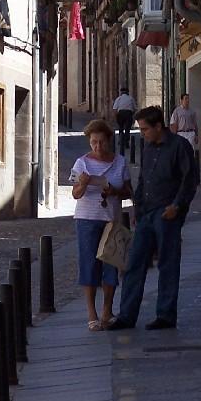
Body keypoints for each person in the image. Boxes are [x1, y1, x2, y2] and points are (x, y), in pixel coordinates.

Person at [107, 106, 198, 331]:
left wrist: (176, 207)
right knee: (134, 263)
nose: (143, 132)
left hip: (167, 212)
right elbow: (144, 181)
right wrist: (137, 209)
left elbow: (189, 180)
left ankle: (165, 315)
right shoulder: (147, 148)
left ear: (159, 126)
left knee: (167, 263)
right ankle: (126, 315)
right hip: (147, 213)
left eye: (146, 129)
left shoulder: (179, 147)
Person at [69, 119, 133, 331]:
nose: (97, 146)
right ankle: (92, 314)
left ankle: (107, 310)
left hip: (111, 219)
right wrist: (84, 185)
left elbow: (128, 191)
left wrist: (114, 192)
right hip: (87, 219)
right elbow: (75, 194)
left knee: (111, 265)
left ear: (109, 141)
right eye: (94, 142)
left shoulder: (120, 162)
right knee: (88, 264)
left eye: (101, 142)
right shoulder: (82, 164)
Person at [111, 88, 137, 153]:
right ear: (127, 92)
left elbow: (115, 109)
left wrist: (115, 117)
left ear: (121, 92)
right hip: (128, 113)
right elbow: (134, 108)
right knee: (128, 128)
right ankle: (126, 142)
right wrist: (132, 115)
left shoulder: (118, 98)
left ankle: (121, 139)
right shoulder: (131, 98)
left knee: (121, 127)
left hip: (121, 113)